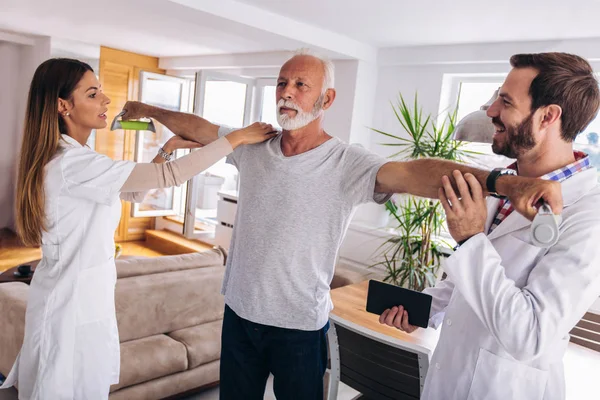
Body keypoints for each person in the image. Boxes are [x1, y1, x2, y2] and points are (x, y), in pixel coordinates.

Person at [120, 49, 563, 400]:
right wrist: (147, 107)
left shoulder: (347, 162)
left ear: (326, 99)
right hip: (238, 315)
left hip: (298, 328)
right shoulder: (251, 146)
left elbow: (414, 172)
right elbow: (198, 127)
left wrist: (503, 183)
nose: (286, 92)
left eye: (300, 84)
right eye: (281, 83)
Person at [0, 58, 275, 399]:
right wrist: (235, 139)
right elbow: (168, 178)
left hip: (82, 301)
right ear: (63, 106)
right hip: (70, 309)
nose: (105, 100)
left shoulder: (77, 157)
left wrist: (168, 148)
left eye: (101, 90)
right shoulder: (73, 163)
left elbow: (134, 192)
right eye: (92, 93)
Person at [379, 52, 600, 400]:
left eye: (506, 101)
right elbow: (463, 287)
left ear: (548, 116)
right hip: (450, 375)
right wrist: (426, 310)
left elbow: (531, 336)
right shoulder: (503, 183)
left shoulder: (590, 212)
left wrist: (470, 240)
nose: (490, 110)